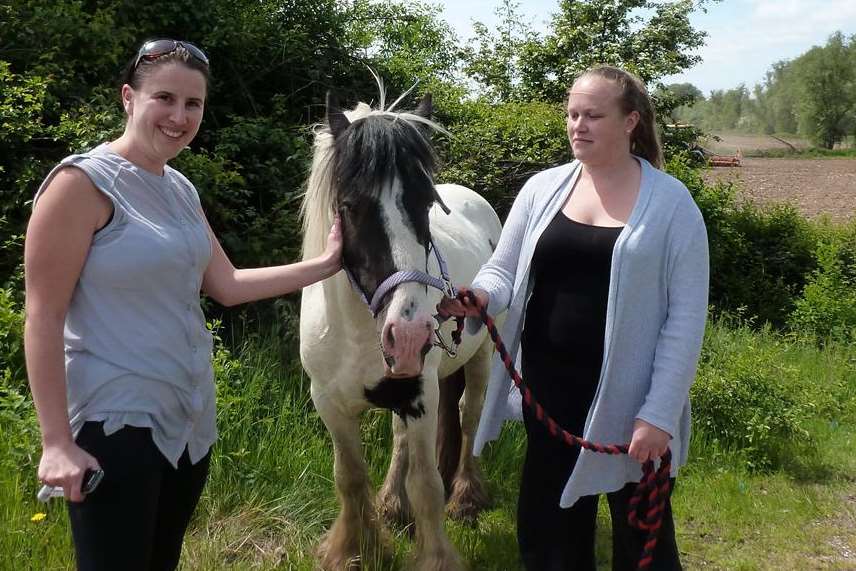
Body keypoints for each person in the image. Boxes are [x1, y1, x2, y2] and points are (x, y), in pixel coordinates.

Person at [23, 39, 342, 571]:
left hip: (187, 423)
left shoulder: (179, 190)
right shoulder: (81, 184)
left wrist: (327, 263)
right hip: (114, 421)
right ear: (129, 98)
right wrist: (56, 442)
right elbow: (43, 316)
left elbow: (228, 283)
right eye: (164, 98)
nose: (179, 116)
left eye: (193, 104)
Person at [439, 65, 709, 570]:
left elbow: (686, 319)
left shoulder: (673, 206)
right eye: (571, 114)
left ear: (631, 121)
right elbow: (504, 270)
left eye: (592, 115)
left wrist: (659, 414)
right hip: (549, 393)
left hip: (632, 403)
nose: (577, 125)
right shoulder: (543, 189)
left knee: (642, 538)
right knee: (548, 535)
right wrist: (477, 296)